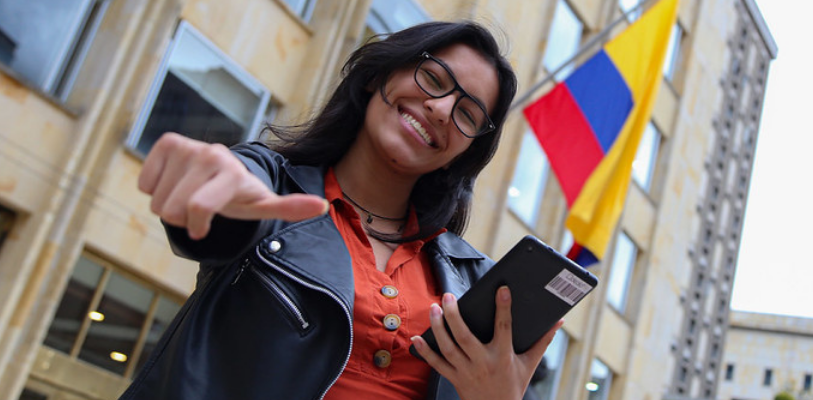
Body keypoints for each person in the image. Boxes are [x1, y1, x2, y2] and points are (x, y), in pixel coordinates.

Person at [120, 21, 561, 400]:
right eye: (434, 78)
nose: (442, 110)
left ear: (464, 153)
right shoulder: (271, 186)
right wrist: (212, 182)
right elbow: (223, 211)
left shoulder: (474, 281)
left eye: (468, 113)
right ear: (377, 76)